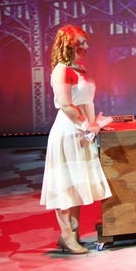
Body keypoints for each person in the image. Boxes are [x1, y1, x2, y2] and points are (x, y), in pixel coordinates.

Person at [40, 25, 113, 254]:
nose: (86, 46)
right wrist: (87, 125)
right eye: (81, 43)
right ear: (69, 45)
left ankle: (72, 233)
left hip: (82, 132)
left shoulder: (79, 67)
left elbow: (83, 101)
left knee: (76, 184)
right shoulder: (61, 70)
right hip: (69, 131)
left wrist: (94, 122)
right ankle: (67, 236)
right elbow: (65, 104)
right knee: (65, 184)